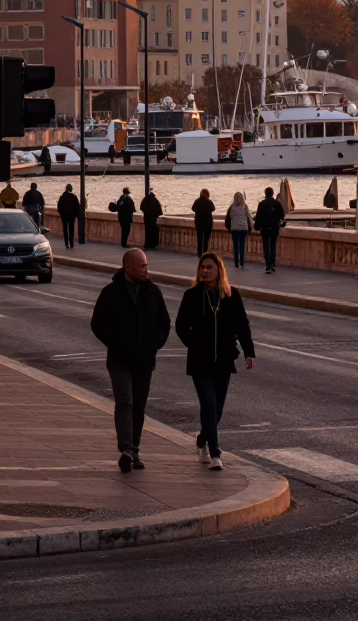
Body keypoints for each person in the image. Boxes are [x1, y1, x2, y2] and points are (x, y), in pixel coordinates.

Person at [90, 248, 171, 472]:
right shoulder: (111, 292)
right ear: (128, 266)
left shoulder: (153, 292)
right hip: (119, 359)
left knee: (139, 406)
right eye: (142, 265)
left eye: (146, 265)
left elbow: (164, 324)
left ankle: (134, 449)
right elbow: (97, 324)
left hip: (144, 359)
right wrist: (116, 343)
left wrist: (154, 345)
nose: (146, 269)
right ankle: (126, 448)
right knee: (124, 402)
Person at [175, 252, 256, 471]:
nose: (205, 271)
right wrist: (194, 343)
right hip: (200, 361)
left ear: (219, 270)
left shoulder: (231, 296)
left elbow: (242, 326)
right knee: (209, 405)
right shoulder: (192, 295)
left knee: (217, 409)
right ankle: (215, 454)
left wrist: (249, 352)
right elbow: (181, 325)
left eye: (209, 267)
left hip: (224, 359)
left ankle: (202, 439)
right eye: (202, 267)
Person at [254, 187, 286, 274]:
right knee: (273, 246)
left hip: (265, 228)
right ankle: (272, 264)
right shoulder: (277, 203)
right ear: (272, 193)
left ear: (265, 193)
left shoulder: (262, 204)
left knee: (266, 247)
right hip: (275, 228)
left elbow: (258, 217)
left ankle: (268, 266)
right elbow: (282, 215)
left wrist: (256, 226)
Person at [225, 192, 253, 269]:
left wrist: (229, 228)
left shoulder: (231, 207)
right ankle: (242, 263)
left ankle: (236, 263)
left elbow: (227, 219)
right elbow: (248, 218)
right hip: (244, 229)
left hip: (235, 229)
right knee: (242, 246)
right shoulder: (245, 206)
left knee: (235, 246)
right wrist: (250, 229)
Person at [191, 189, 216, 257]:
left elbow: (193, 208)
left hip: (199, 222)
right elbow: (213, 208)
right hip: (207, 222)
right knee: (206, 238)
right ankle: (205, 251)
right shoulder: (209, 202)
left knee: (200, 237)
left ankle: (199, 251)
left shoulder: (197, 201)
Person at [57, 183, 80, 249]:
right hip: (71, 216)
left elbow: (59, 207)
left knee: (65, 229)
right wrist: (76, 216)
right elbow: (77, 207)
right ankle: (72, 244)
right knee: (71, 229)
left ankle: (66, 244)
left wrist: (61, 215)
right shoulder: (74, 197)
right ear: (71, 189)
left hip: (64, 216)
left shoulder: (62, 197)